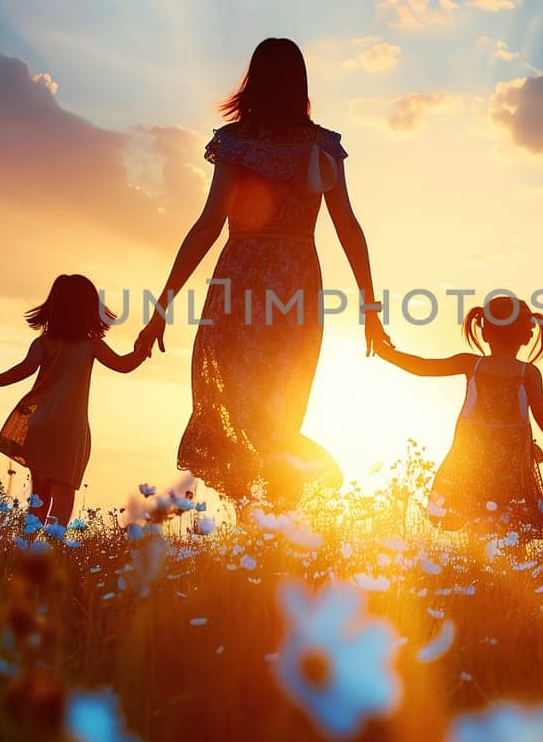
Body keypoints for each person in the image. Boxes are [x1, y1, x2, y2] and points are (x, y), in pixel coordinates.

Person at [135, 38, 389, 506]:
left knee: (244, 406)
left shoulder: (247, 143)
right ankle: (269, 520)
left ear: (254, 80)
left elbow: (210, 224)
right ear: (300, 83)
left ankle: (280, 507)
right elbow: (348, 229)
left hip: (242, 281)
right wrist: (370, 308)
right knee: (269, 408)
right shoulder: (314, 145)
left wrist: (162, 308)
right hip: (294, 283)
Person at [373, 295, 543, 536]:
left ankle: (480, 565)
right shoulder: (527, 372)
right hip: (505, 464)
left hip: (475, 459)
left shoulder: (474, 364)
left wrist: (386, 353)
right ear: (524, 335)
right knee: (509, 528)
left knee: (476, 522)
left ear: (485, 332)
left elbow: (423, 367)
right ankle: (498, 569)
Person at [0, 273, 149, 522]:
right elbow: (123, 365)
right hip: (69, 429)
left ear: (53, 308)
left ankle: (26, 550)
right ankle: (51, 551)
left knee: (39, 496)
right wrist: (143, 350)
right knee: (63, 498)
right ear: (91, 310)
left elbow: (23, 370)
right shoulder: (92, 345)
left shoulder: (43, 343)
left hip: (38, 424)